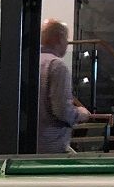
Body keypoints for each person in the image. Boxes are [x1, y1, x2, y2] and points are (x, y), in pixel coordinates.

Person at [38, 20, 90, 153]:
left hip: (28, 143)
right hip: (52, 145)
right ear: (59, 39)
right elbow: (61, 110)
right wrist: (80, 113)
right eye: (66, 39)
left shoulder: (27, 61)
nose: (67, 44)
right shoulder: (57, 66)